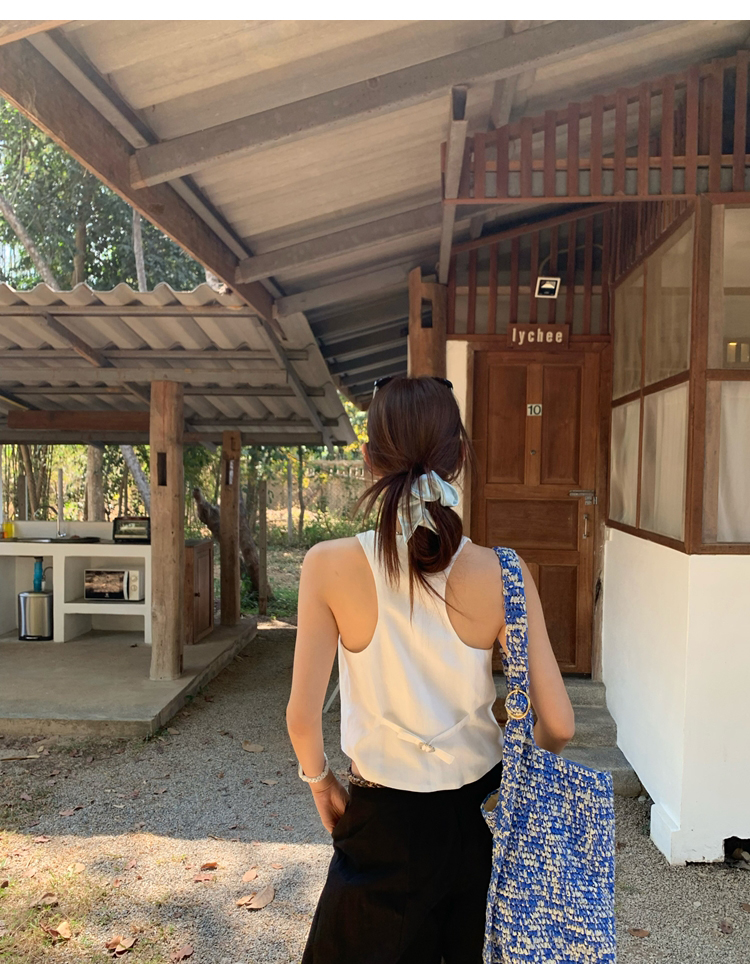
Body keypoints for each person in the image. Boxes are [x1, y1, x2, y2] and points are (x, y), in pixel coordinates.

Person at [286, 374, 575, 964]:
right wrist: (513, 793)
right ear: (460, 457)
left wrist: (321, 782)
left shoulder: (327, 565)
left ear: (369, 460)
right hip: (475, 825)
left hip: (378, 825)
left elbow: (301, 718)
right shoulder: (505, 573)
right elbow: (560, 725)